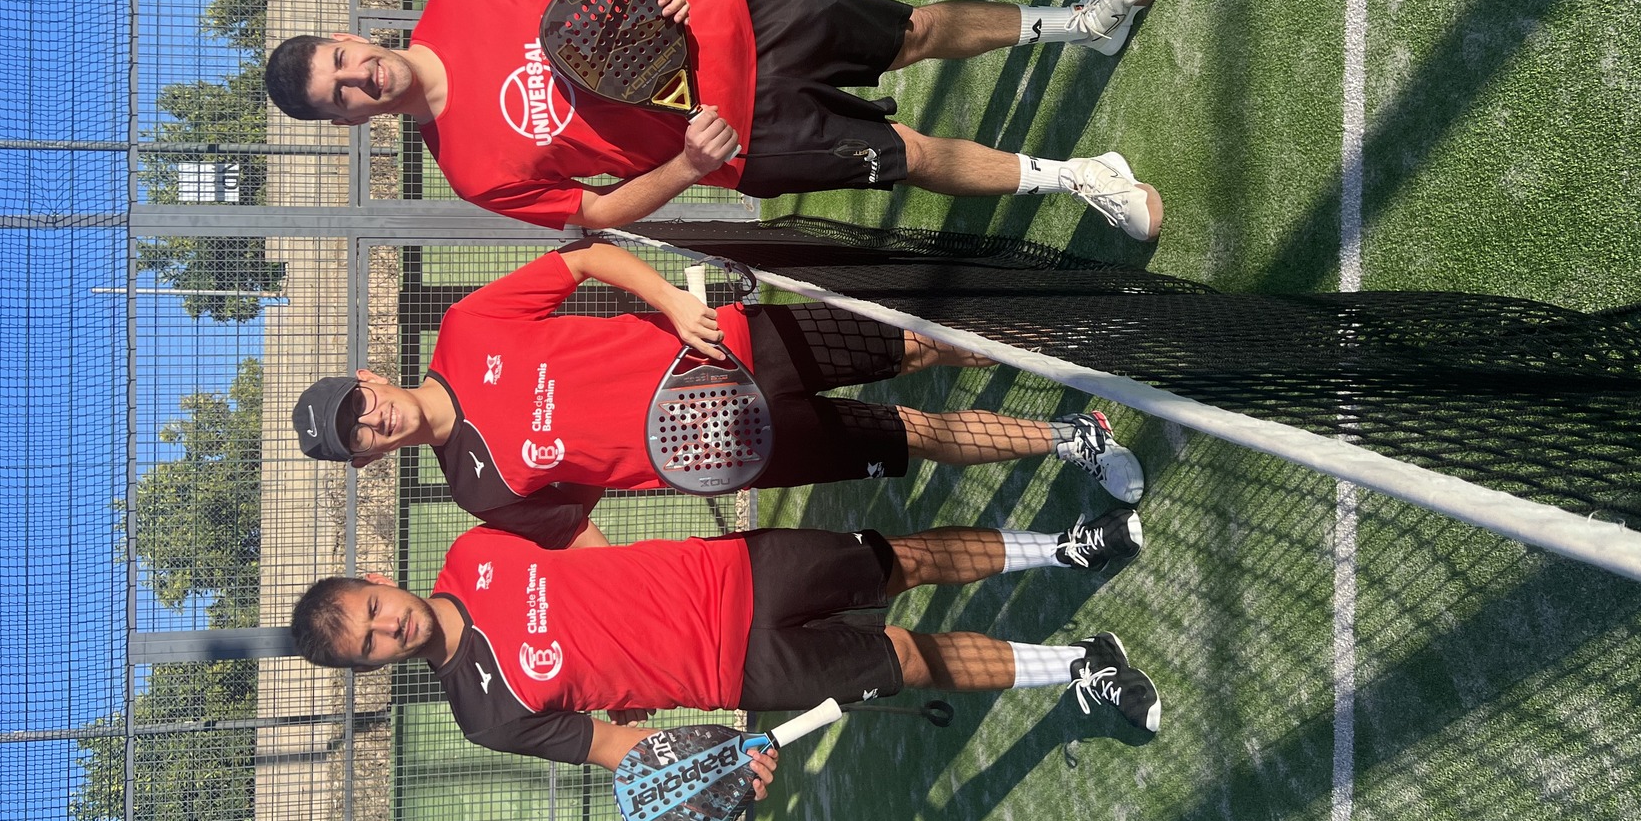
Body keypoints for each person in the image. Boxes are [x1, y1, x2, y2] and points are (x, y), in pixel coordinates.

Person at [263, 0, 1168, 237]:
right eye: (340, 97)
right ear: (347, 123)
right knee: (914, 156)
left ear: (349, 39)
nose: (357, 81)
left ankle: (1084, 24)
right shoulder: (469, 171)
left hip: (738, 20)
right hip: (737, 140)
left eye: (341, 64)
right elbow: (596, 214)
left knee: (916, 33)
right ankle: (1083, 177)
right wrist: (690, 168)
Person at [289, 240, 1145, 547]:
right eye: (357, 436)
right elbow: (578, 534)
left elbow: (583, 259)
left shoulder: (468, 328)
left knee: (913, 345)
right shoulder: (479, 492)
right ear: (366, 460)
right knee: (912, 432)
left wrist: (670, 301)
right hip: (736, 452)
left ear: (369, 379)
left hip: (729, 345)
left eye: (358, 406)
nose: (372, 421)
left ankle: (1058, 340)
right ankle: (1074, 436)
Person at [288, 521, 1162, 780]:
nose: (386, 629)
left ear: (378, 580)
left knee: (901, 562)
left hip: (734, 569)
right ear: (370, 669)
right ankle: (1081, 665)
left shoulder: (476, 548)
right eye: (368, 645)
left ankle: (1067, 546)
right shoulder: (484, 716)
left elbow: (575, 527)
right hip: (736, 670)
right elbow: (612, 746)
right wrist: (713, 762)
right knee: (904, 657)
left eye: (373, 609)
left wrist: (623, 588)